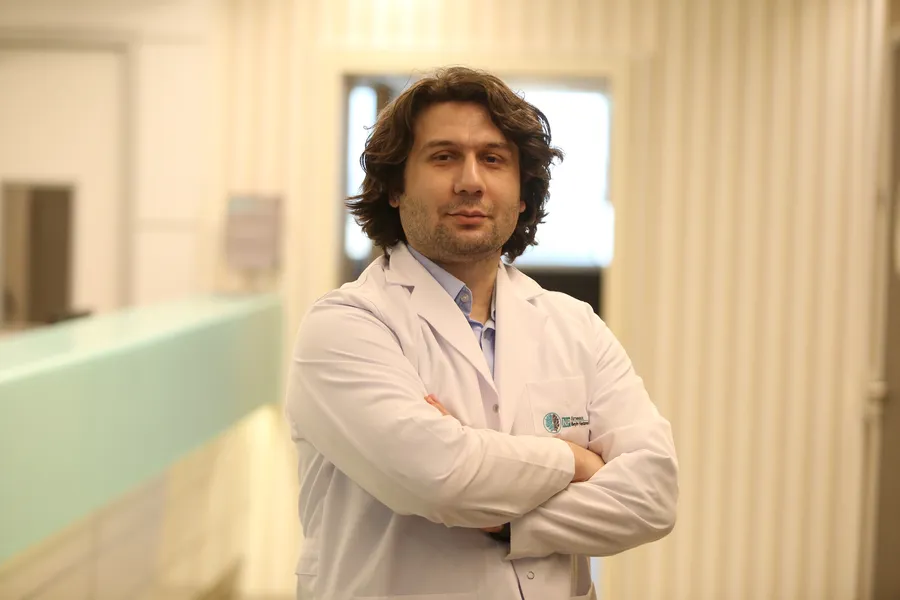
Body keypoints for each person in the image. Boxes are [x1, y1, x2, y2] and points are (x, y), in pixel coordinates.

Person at [284, 66, 678, 600]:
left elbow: (653, 497)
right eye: (444, 156)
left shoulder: (575, 326)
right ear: (395, 187)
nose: (470, 180)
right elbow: (442, 479)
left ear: (522, 194)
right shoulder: (345, 326)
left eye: (493, 159)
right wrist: (577, 461)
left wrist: (509, 521)